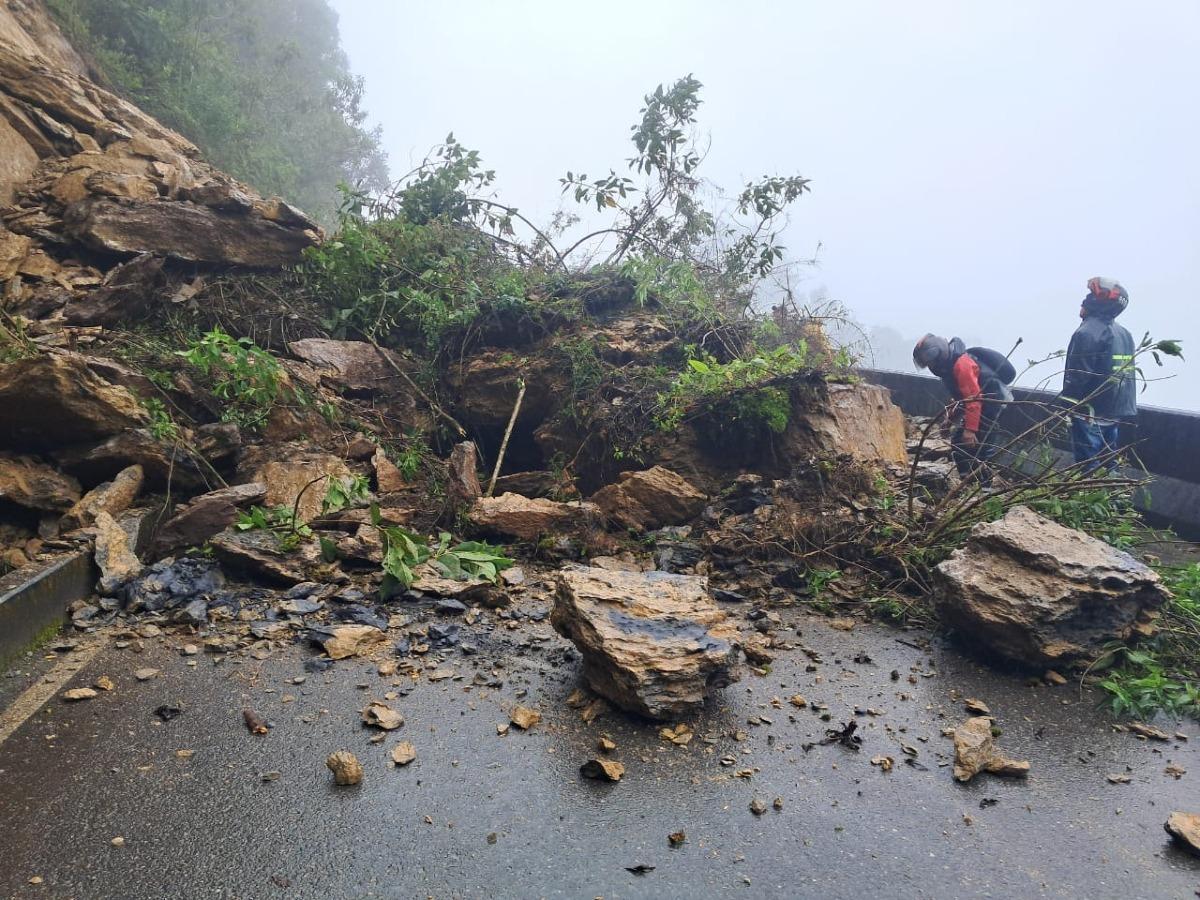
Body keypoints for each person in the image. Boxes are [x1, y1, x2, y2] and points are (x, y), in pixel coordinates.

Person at [913, 334, 1016, 486]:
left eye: (932, 360)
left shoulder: (962, 364)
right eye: (928, 363)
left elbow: (973, 398)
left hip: (991, 404)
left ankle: (983, 489)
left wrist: (971, 430)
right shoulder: (950, 368)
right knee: (959, 443)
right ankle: (967, 482)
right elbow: (963, 399)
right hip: (982, 404)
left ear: (941, 352)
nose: (932, 365)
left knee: (980, 448)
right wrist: (950, 420)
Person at [1059, 276, 1136, 472]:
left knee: (1088, 467)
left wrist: (1066, 405)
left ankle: (1088, 499)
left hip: (1089, 413)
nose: (1084, 301)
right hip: (1114, 412)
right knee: (1109, 463)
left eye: (1089, 296)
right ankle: (1114, 500)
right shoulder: (1125, 334)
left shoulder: (1086, 333)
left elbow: (1078, 376)